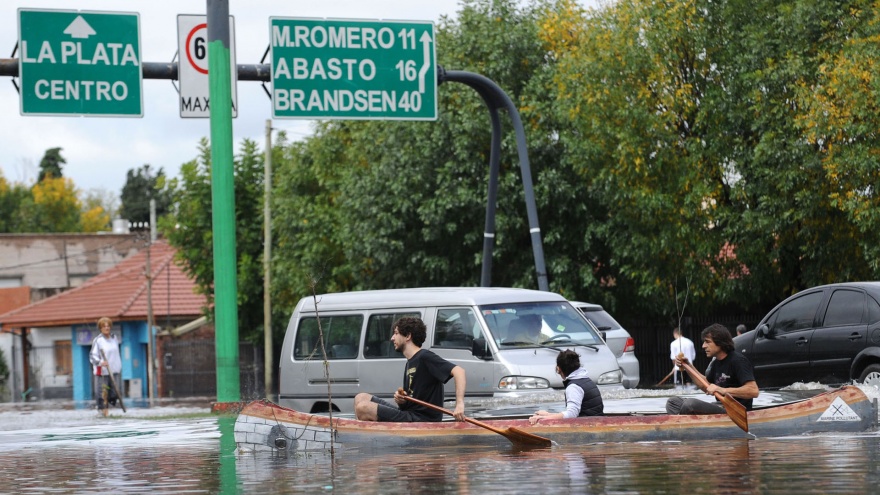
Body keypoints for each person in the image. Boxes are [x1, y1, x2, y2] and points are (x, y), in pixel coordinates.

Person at [354, 316, 466, 422]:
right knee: (361, 397)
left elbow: (459, 371)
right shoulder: (410, 362)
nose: (392, 338)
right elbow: (410, 402)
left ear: (408, 336)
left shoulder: (425, 357)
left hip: (422, 419)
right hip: (409, 414)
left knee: (363, 407)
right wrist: (401, 400)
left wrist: (459, 404)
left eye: (396, 333)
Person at [666, 323, 759, 415]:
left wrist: (722, 390)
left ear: (720, 342)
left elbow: (753, 391)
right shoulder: (716, 363)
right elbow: (706, 386)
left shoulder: (738, 361)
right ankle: (684, 423)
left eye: (707, 342)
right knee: (672, 402)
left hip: (736, 410)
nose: (703, 346)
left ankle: (685, 422)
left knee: (690, 404)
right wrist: (688, 366)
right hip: (720, 406)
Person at [528, 349, 603, 424]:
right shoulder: (586, 380)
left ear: (558, 369)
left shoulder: (574, 387)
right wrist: (548, 414)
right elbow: (576, 413)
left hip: (587, 427)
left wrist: (544, 418)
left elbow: (572, 414)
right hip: (596, 423)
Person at [89, 316, 122, 417]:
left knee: (114, 393)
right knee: (103, 393)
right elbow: (92, 356)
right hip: (102, 372)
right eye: (104, 326)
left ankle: (109, 411)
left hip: (114, 370)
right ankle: (102, 411)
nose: (106, 328)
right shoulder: (98, 340)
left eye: (108, 326)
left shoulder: (114, 338)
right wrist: (100, 362)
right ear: (100, 328)